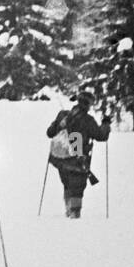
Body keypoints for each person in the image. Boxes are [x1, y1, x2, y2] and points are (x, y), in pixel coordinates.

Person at [46, 90, 111, 218]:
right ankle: (74, 215)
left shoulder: (63, 115)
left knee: (67, 185)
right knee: (77, 188)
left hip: (60, 160)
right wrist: (106, 124)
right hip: (78, 160)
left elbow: (50, 133)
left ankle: (68, 210)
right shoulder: (88, 120)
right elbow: (101, 136)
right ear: (87, 104)